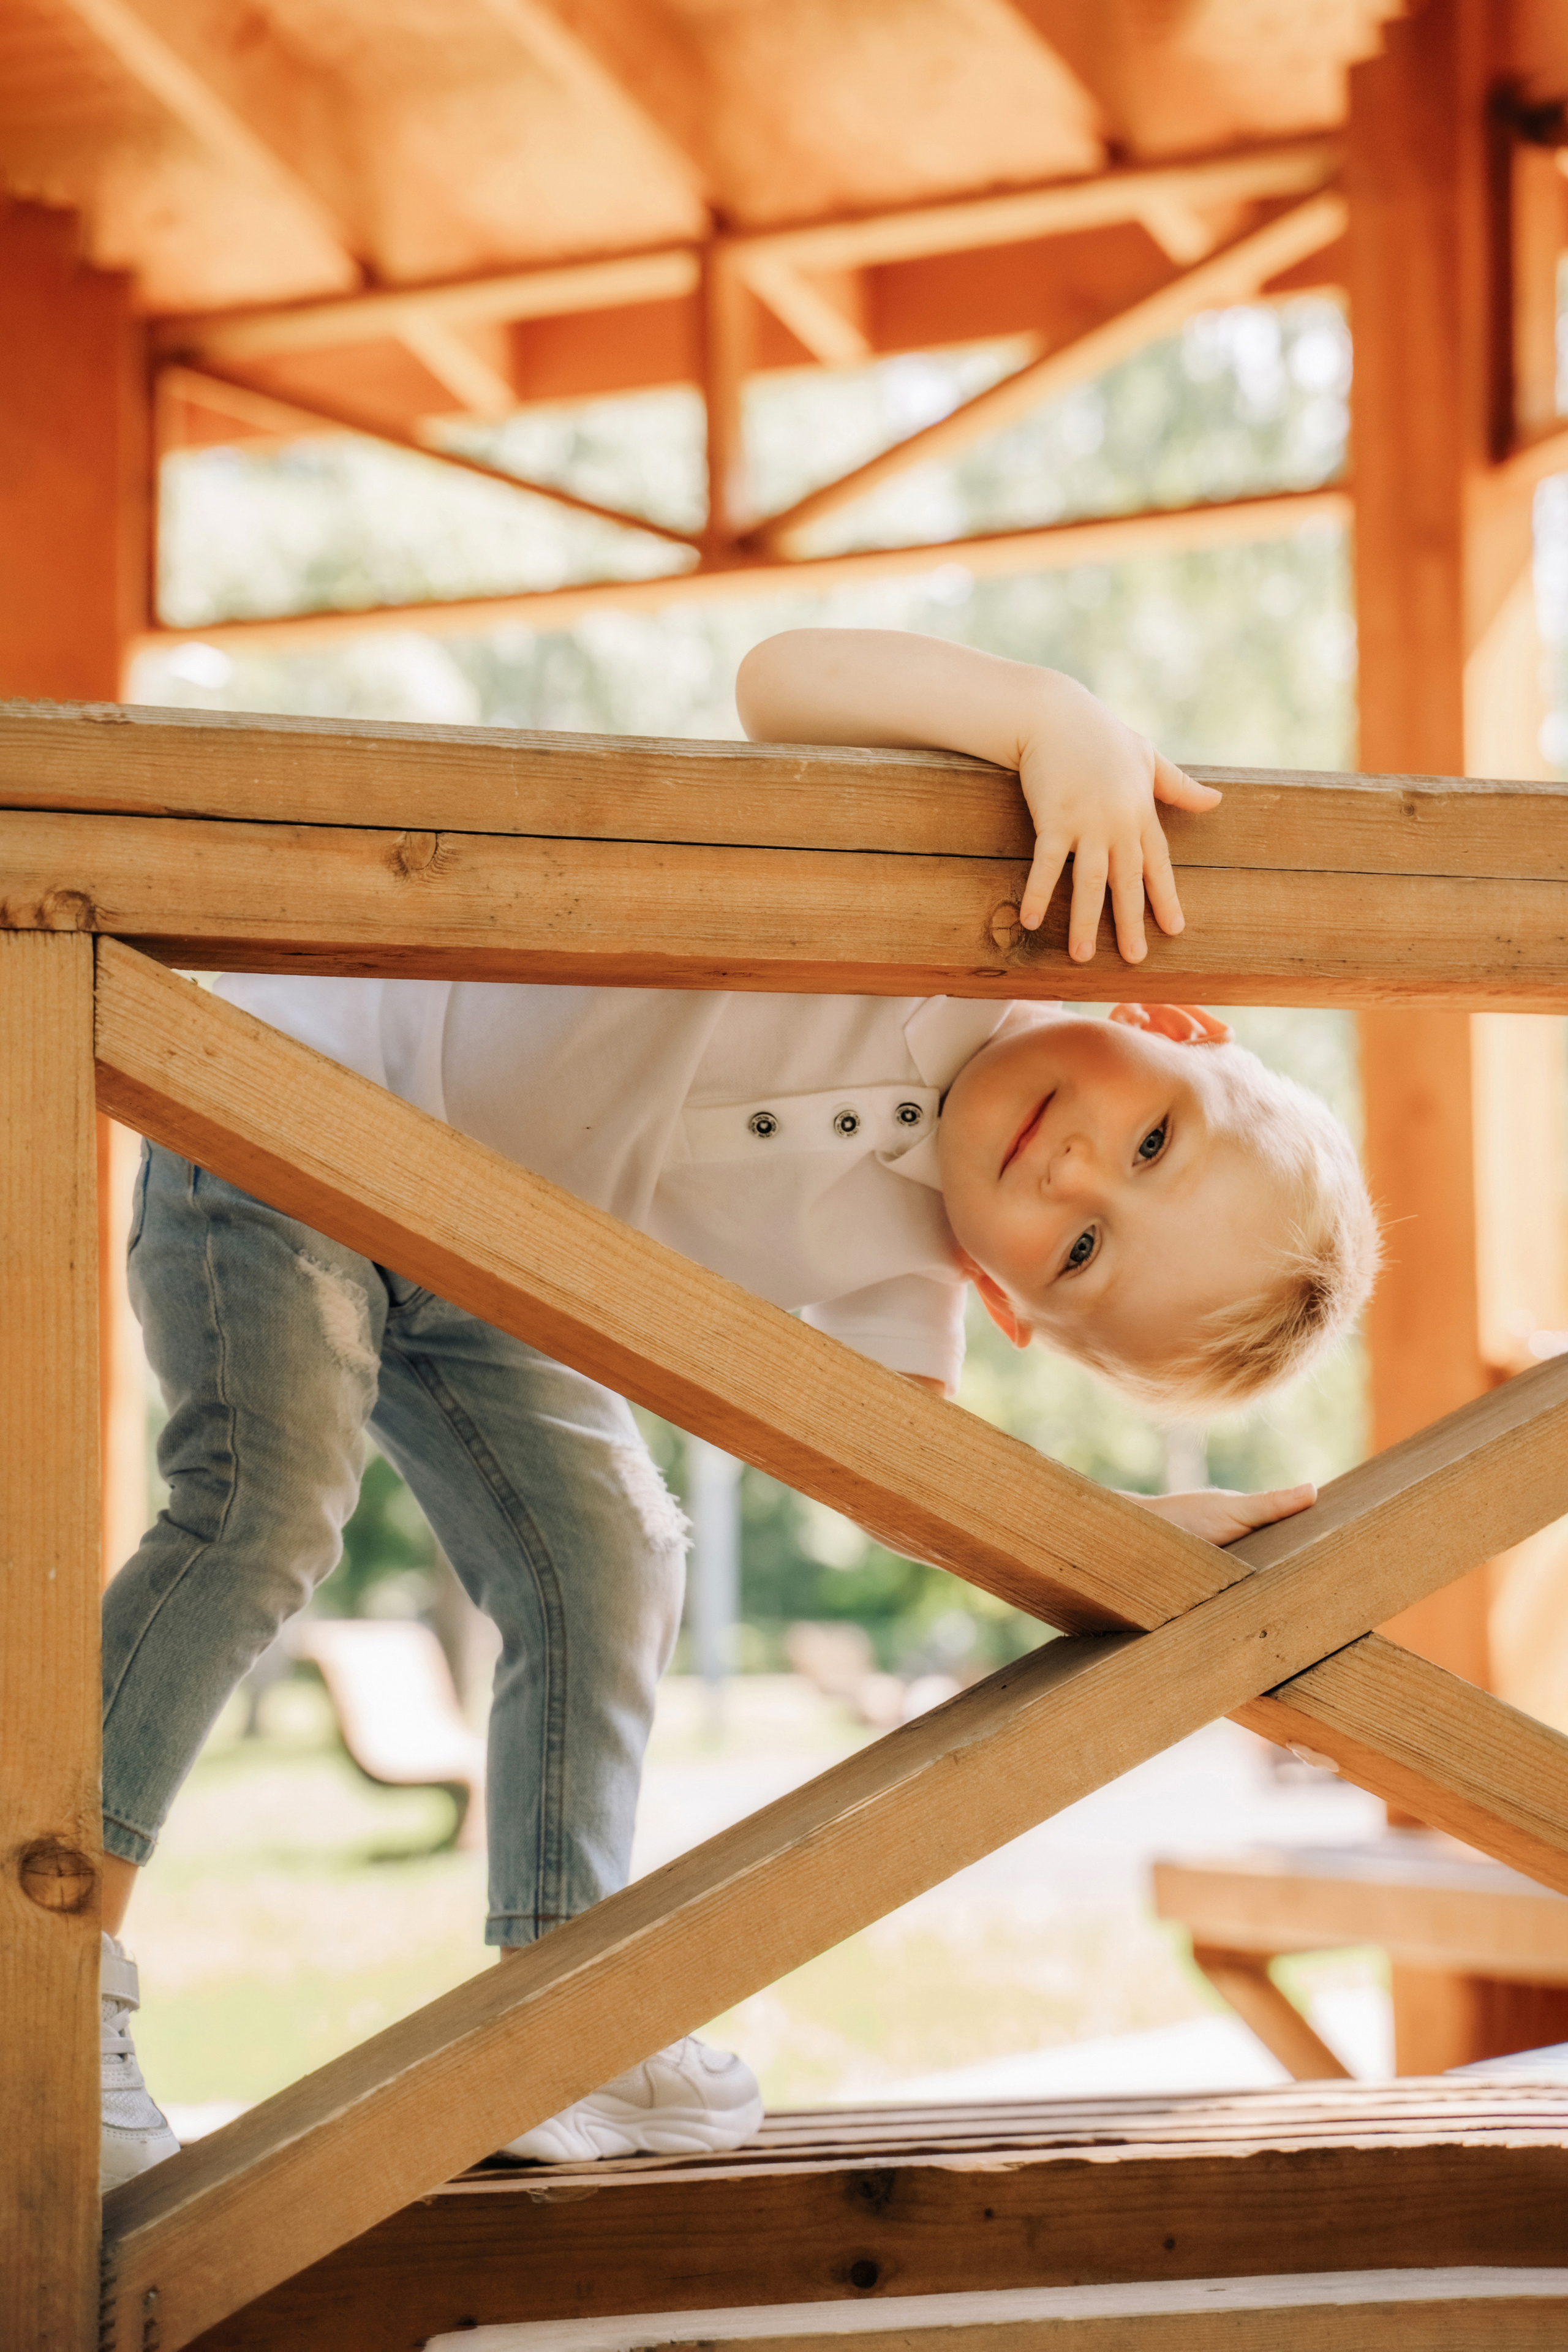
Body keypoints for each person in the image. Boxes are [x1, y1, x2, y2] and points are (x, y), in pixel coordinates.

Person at [97, 630, 1378, 2191]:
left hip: (482, 1267)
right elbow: (779, 679)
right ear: (1171, 1023)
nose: (1071, 1171)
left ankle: (560, 2019)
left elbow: (909, 1484)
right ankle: (49, 1960)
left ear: (1008, 1307)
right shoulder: (946, 916)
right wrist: (1051, 719)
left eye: (1083, 1250)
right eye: (1155, 1140)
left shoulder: (904, 1274)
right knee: (266, 1506)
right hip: (291, 1103)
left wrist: (1097, 1539)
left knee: (613, 1561)